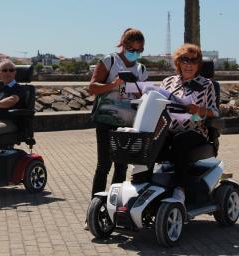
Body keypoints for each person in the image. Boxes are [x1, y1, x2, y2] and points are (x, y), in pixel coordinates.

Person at [86, 28, 148, 228]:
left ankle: (113, 211)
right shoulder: (109, 61)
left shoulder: (141, 69)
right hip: (106, 121)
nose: (134, 54)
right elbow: (93, 87)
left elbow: (144, 97)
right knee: (104, 165)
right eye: (131, 49)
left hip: (128, 124)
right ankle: (94, 211)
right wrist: (113, 84)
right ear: (124, 45)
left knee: (121, 167)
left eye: (139, 51)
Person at [158, 43, 219, 203]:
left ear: (198, 64)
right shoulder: (167, 82)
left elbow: (215, 112)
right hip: (170, 128)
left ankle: (180, 190)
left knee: (180, 142)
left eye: (193, 61)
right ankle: (146, 183)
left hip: (196, 131)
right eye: (185, 60)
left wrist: (198, 110)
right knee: (150, 139)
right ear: (178, 62)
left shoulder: (206, 85)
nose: (188, 64)